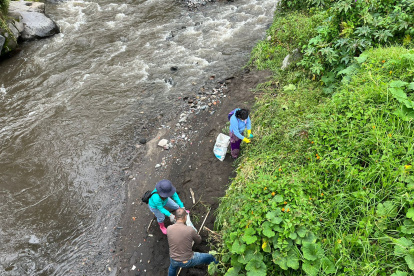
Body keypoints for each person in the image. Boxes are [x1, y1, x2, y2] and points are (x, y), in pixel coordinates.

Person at [167, 208, 217, 276]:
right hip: (187, 260)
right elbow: (199, 241)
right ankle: (218, 267)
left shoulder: (169, 228)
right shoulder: (190, 230)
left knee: (172, 268)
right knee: (210, 257)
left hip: (173, 258)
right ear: (185, 217)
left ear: (175, 217)